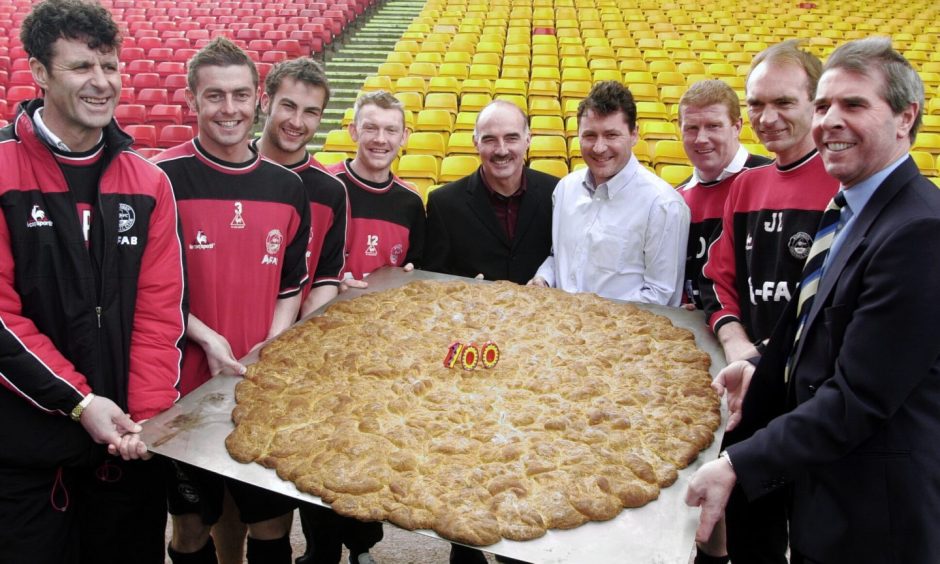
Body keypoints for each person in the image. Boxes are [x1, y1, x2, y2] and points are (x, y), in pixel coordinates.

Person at [686, 37, 940, 564]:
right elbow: (812, 322)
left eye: (854, 104)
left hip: (875, 515)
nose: (830, 120)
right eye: (824, 105)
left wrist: (738, 464)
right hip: (828, 497)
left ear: (905, 117)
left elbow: (860, 397)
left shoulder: (920, 230)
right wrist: (762, 366)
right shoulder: (853, 207)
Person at [0, 0, 187, 562]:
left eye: (110, 66)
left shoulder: (148, 182)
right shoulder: (3, 171)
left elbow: (159, 313)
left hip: (126, 447)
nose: (101, 82)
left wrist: (147, 420)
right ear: (39, 73)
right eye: (82, 66)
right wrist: (81, 403)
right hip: (28, 452)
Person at [153, 37, 310, 564]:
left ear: (258, 99)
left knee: (270, 526)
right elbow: (144, 288)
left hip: (259, 389)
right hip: (183, 388)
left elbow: (291, 281)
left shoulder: (287, 187)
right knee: (193, 528)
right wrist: (203, 334)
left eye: (240, 95)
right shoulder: (159, 180)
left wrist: (274, 341)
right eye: (214, 96)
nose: (229, 109)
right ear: (191, 100)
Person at [696, 40, 840, 564]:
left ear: (816, 104)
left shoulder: (844, 183)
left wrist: (766, 355)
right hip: (750, 393)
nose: (767, 117)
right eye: (756, 104)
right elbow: (716, 277)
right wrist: (736, 343)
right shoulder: (746, 186)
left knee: (816, 536)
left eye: (784, 102)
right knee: (751, 532)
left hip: (817, 398)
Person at [530, 80, 689, 305]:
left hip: (624, 336)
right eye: (589, 135)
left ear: (634, 134)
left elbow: (660, 296)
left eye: (611, 135)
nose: (599, 147)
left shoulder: (663, 205)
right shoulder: (565, 189)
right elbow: (560, 257)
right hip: (561, 327)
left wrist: (594, 320)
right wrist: (543, 278)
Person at [424, 100, 557, 284]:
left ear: (528, 140)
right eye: (489, 139)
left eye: (511, 138)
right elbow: (433, 278)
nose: (501, 150)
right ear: (475, 143)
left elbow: (565, 259)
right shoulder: (443, 203)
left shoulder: (555, 193)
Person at [255, 57, 347, 317]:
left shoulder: (331, 191)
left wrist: (291, 338)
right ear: (265, 103)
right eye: (288, 106)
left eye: (310, 112)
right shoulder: (229, 171)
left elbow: (327, 278)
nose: (297, 122)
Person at [676, 80, 772, 310]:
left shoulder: (770, 183)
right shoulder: (675, 198)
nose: (701, 138)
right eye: (691, 128)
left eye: (713, 126)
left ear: (737, 126)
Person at [328, 91, 425, 290]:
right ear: (354, 131)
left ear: (404, 137)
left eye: (391, 130)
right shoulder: (325, 187)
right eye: (371, 128)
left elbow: (415, 266)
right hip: (323, 312)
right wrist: (328, 282)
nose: (381, 139)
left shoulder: (411, 201)